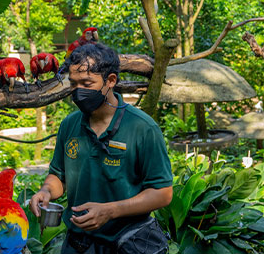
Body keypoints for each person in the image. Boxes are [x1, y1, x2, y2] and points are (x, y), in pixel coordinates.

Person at [30, 43, 173, 254]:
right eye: (73, 84)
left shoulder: (142, 128)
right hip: (76, 245)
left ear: (111, 81)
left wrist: (111, 211)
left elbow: (162, 193)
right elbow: (58, 177)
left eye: (87, 83)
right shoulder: (69, 125)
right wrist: (45, 191)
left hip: (126, 244)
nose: (79, 92)